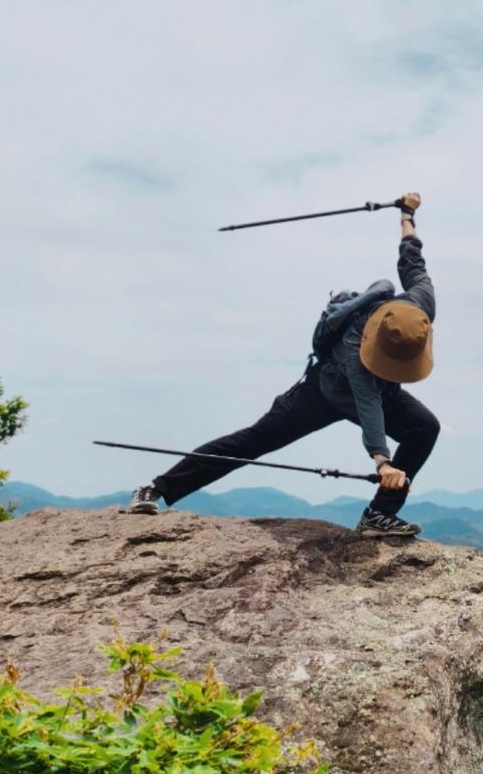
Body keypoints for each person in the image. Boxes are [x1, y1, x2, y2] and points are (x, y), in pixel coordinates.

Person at [128, 191, 439, 537]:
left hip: (381, 392)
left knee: (424, 427)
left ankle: (379, 514)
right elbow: (368, 407)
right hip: (325, 391)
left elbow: (412, 260)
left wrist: (406, 216)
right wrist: (383, 463)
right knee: (253, 442)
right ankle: (157, 488)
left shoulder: (420, 302)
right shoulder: (356, 345)